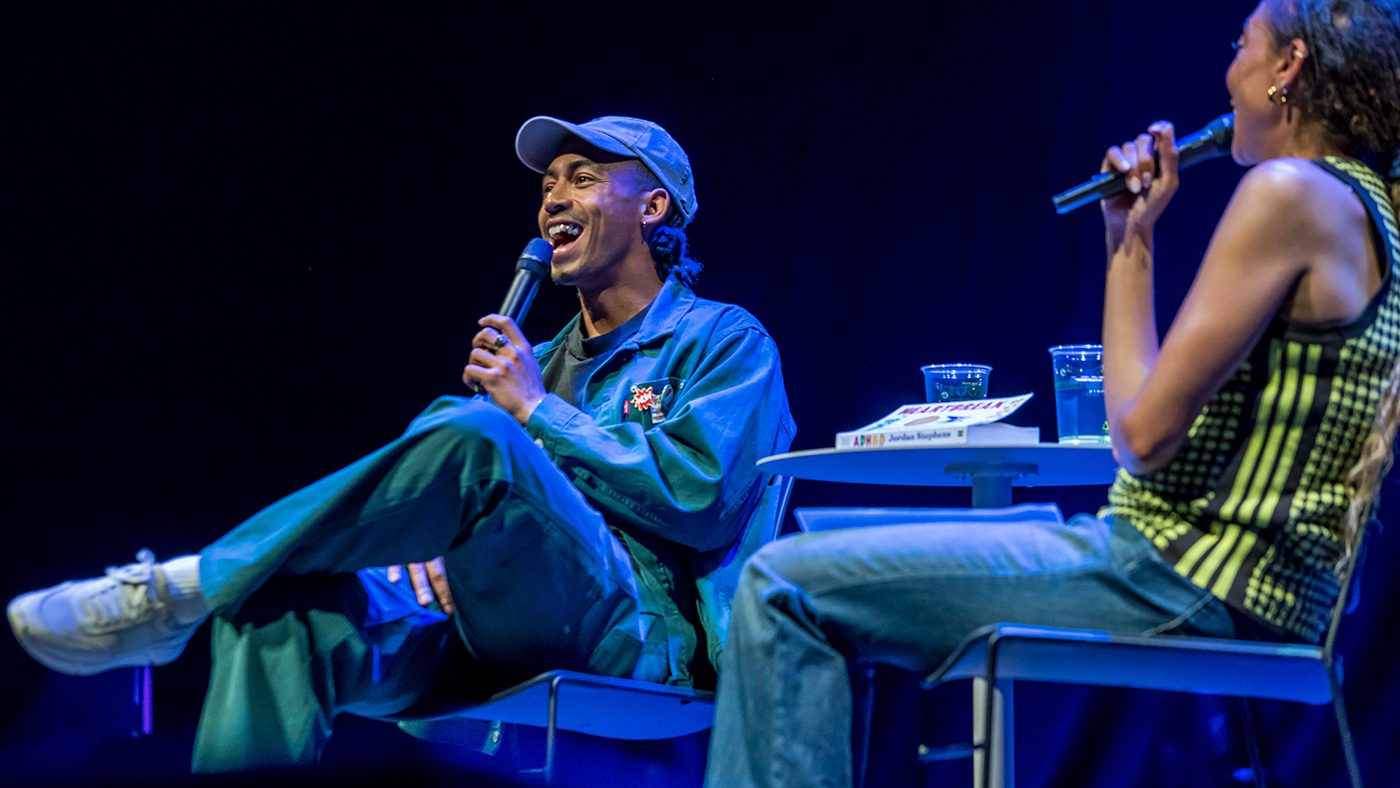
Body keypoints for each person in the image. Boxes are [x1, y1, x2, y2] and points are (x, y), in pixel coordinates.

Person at [704, 1, 1400, 785]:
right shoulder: (1373, 212)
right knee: (826, 574)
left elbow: (1138, 438)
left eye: (1243, 45)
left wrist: (1132, 244)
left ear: (1288, 66)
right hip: (1258, 591)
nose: (1228, 68)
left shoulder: (1291, 192)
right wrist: (1126, 234)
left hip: (1178, 574)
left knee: (782, 584)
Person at [8, 114, 796, 772]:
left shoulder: (724, 340)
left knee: (477, 432)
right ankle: (222, 592)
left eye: (583, 178)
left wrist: (534, 413)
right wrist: (433, 541)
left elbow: (702, 502)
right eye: (547, 184)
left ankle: (184, 588)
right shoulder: (537, 361)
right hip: (483, 621)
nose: (554, 196)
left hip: (636, 637)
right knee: (282, 614)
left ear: (653, 206)